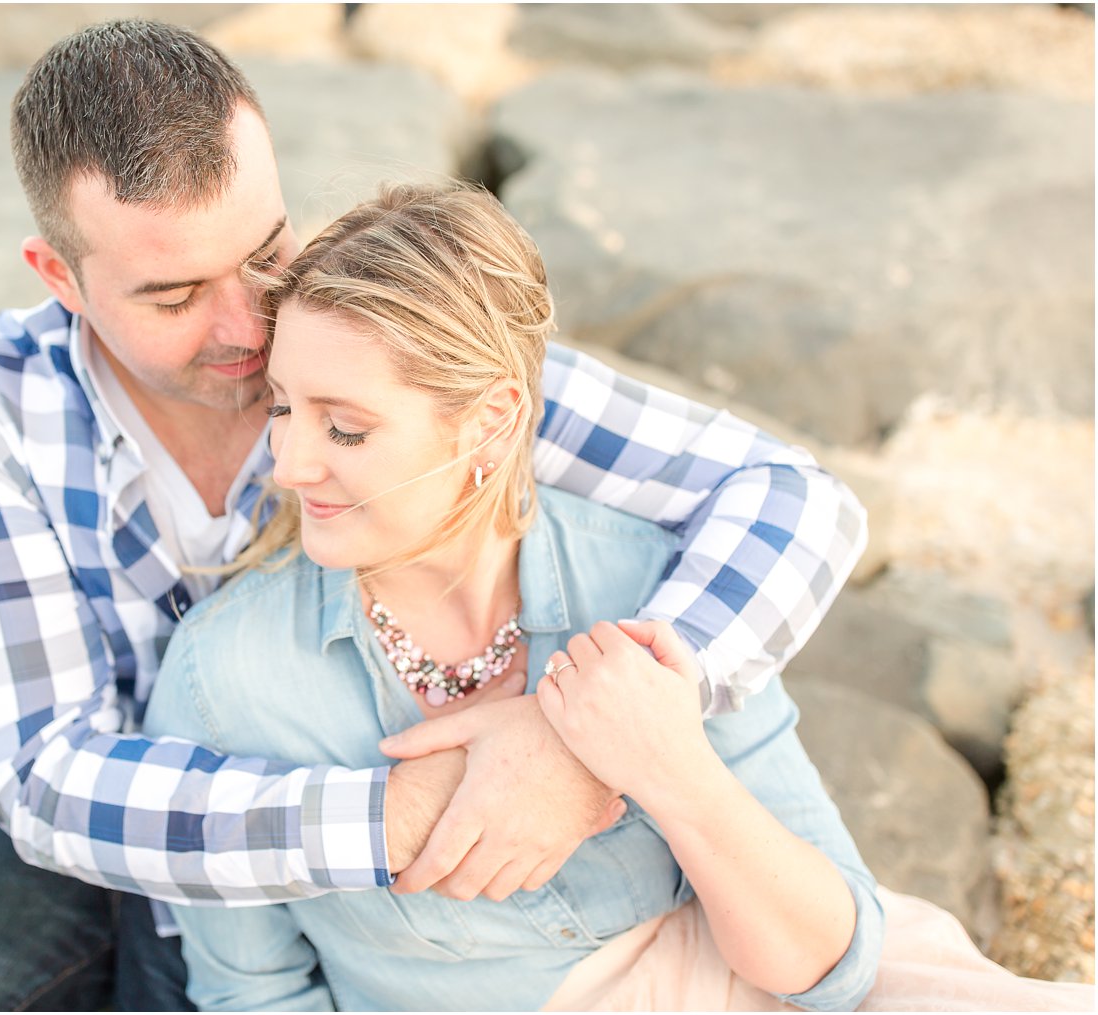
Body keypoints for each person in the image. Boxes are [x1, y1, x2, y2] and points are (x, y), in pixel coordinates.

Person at [0, 20, 869, 1011]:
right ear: (59, 275)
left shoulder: (369, 337)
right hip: (107, 841)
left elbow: (788, 500)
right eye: (173, 294)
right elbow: (44, 777)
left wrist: (594, 735)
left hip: (336, 903)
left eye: (262, 252)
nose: (247, 325)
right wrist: (390, 815)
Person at [142, 181, 1095, 1013]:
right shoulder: (232, 682)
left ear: (492, 422)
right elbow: (251, 991)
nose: (289, 462)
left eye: (345, 429)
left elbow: (832, 970)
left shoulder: (648, 583)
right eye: (280, 406)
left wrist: (655, 758)